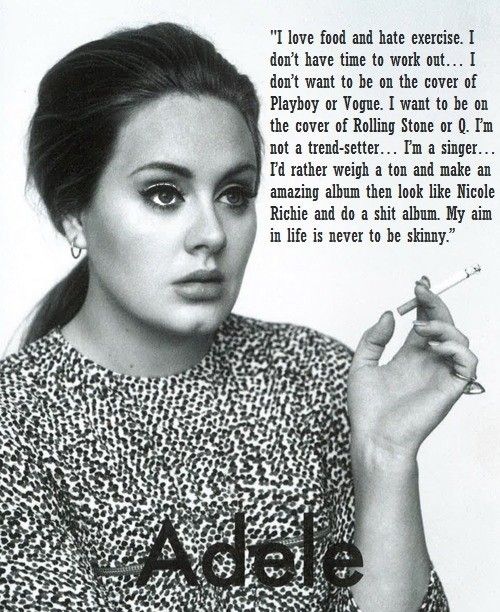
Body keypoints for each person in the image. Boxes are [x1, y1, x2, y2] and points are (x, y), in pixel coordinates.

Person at [0, 22, 480, 611]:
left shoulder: (319, 377)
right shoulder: (15, 424)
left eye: (234, 194)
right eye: (164, 194)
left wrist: (384, 457)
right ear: (74, 213)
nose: (211, 234)